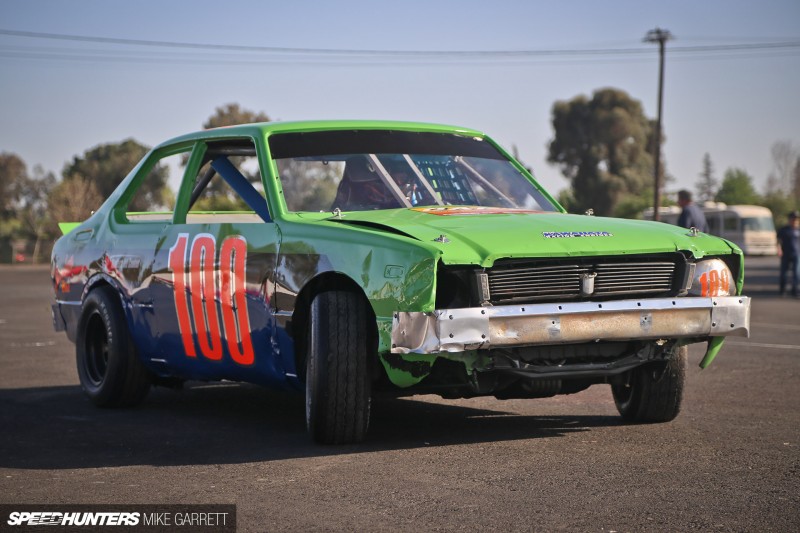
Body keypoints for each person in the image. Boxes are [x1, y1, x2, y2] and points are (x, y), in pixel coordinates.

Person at [777, 210, 800, 297]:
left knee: (796, 273)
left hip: (797, 254)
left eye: (796, 219)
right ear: (789, 219)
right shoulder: (784, 230)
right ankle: (782, 290)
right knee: (784, 273)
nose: (794, 221)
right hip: (786, 254)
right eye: (793, 219)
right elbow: (778, 241)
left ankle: (795, 290)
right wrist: (779, 249)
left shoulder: (798, 229)